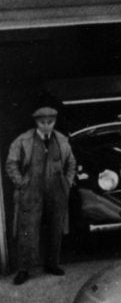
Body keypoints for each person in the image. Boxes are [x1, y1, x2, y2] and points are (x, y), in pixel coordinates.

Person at [5, 104, 76, 285]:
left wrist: (66, 183)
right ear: (36, 122)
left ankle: (52, 264)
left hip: (55, 190)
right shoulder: (23, 141)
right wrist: (21, 182)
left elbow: (71, 164)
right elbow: (11, 164)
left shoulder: (62, 141)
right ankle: (24, 269)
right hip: (31, 190)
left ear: (54, 122)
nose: (46, 126)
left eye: (50, 122)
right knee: (27, 230)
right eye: (42, 122)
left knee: (55, 228)